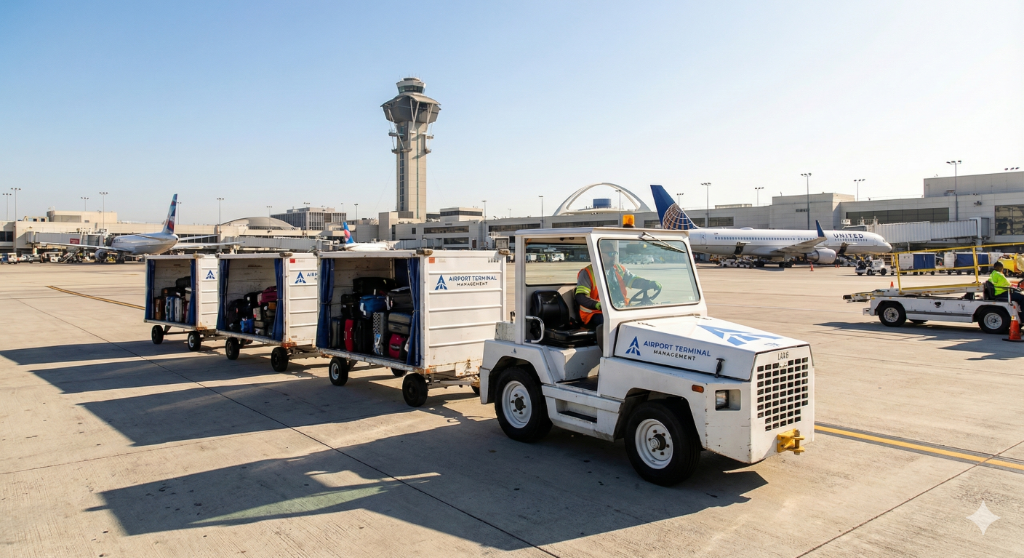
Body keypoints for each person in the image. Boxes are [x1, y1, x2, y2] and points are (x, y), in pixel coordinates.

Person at [575, 246, 661, 330]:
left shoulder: (618, 269)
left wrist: (649, 284)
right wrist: (597, 305)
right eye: (610, 254)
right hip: (595, 313)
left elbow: (633, 280)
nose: (614, 256)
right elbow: (580, 297)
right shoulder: (587, 273)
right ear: (599, 254)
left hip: (619, 309)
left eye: (614, 253)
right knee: (615, 325)